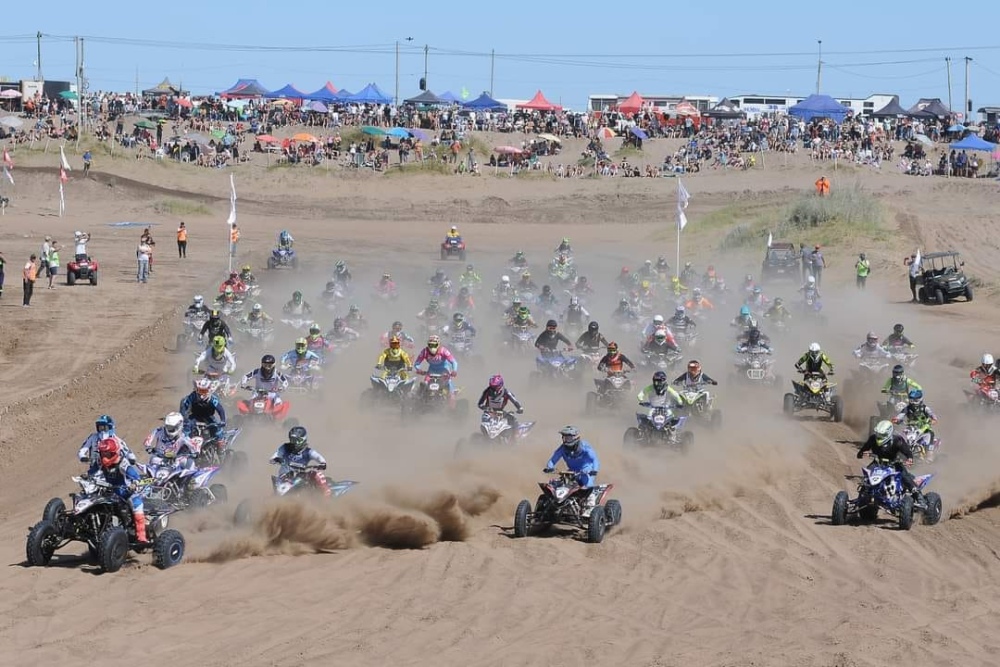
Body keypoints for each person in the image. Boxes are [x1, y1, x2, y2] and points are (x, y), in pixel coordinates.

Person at [96, 438, 151, 543]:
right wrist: (86, 477)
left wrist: (134, 484)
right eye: (103, 454)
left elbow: (136, 477)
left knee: (137, 505)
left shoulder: (122, 463)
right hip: (109, 491)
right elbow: (92, 471)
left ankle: (141, 536)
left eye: (107, 454)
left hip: (125, 492)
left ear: (114, 453)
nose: (104, 457)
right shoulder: (100, 461)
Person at [857, 420, 920, 499]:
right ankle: (863, 496)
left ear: (889, 433)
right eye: (878, 434)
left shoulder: (897, 440)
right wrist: (861, 452)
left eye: (882, 434)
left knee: (905, 477)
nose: (879, 436)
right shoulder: (873, 438)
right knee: (867, 476)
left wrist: (910, 458)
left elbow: (907, 450)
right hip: (878, 462)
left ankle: (919, 497)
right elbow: (866, 447)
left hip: (894, 463)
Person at [269, 426, 332, 497]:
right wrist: (277, 459)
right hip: (285, 476)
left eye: (297, 440)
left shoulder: (308, 451)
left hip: (300, 476)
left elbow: (318, 457)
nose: (294, 443)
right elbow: (272, 458)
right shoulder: (285, 447)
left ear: (303, 440)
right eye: (292, 440)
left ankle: (326, 495)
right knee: (280, 491)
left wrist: (322, 463)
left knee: (316, 474)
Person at [543, 426, 599, 494]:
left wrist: (594, 470)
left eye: (568, 438)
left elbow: (595, 460)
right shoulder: (562, 449)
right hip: (571, 472)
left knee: (587, 486)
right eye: (564, 437)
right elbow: (553, 460)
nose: (566, 440)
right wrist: (549, 467)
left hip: (585, 471)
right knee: (557, 484)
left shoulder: (585, 447)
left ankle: (591, 501)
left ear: (576, 438)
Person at [412, 335, 458, 404]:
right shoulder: (424, 351)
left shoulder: (444, 351)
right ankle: (419, 401)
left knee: (449, 383)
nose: (432, 347)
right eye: (430, 345)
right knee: (425, 384)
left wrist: (454, 370)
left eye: (434, 345)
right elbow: (417, 363)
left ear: (438, 344)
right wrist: (419, 369)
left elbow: (454, 362)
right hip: (431, 371)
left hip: (444, 370)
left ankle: (452, 401)